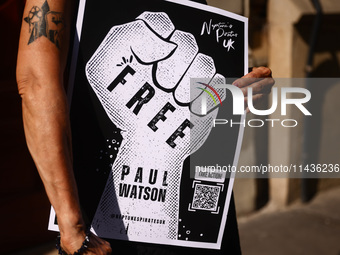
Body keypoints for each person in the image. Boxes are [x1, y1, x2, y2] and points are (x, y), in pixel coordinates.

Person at [16, 0, 274, 254]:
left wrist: (233, 89)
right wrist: (73, 228)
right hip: (105, 230)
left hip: (197, 220)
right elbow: (36, 83)